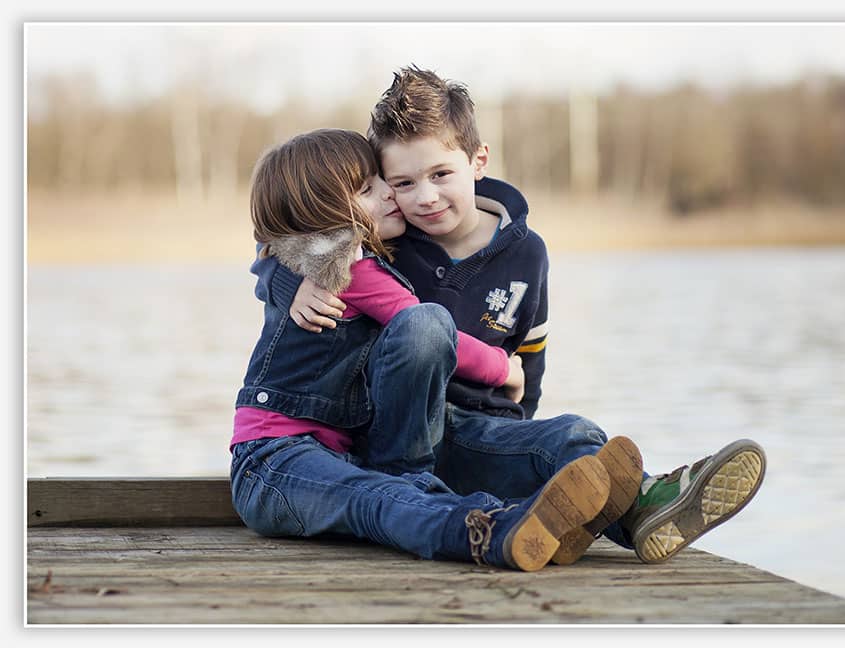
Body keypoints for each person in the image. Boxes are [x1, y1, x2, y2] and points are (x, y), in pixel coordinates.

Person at [254, 67, 767, 567]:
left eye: (439, 175)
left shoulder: (525, 255)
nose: (420, 197)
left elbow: (531, 362)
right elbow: (290, 236)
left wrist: (514, 434)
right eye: (399, 183)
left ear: (477, 162)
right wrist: (288, 281)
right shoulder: (384, 241)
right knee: (424, 326)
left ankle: (646, 508)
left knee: (570, 436)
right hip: (389, 439)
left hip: (468, 429)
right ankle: (497, 519)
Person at [230, 127, 620, 572]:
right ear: (328, 211)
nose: (391, 196)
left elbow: (274, 244)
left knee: (569, 434)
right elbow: (274, 245)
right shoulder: (346, 270)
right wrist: (504, 369)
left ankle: (633, 509)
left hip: (341, 453)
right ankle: (494, 529)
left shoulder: (350, 259)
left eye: (382, 183)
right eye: (369, 190)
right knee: (376, 497)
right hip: (273, 463)